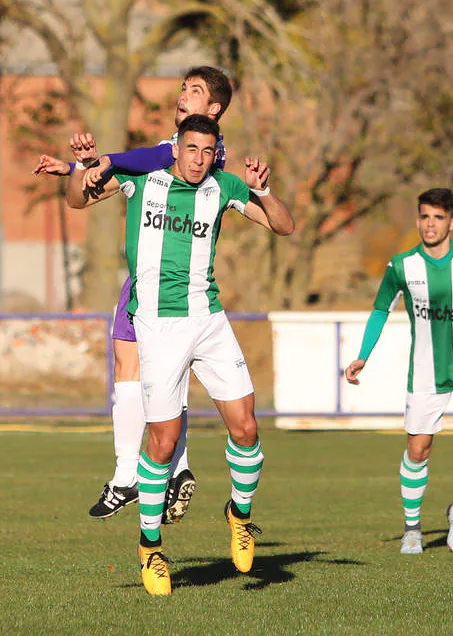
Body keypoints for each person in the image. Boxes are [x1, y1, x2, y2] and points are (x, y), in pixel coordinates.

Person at [66, 113, 294, 595]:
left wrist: (265, 191)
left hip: (208, 318)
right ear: (176, 148)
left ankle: (239, 515)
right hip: (157, 325)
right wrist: (82, 171)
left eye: (207, 151)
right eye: (191, 149)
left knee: (247, 424)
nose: (198, 159)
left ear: (216, 153)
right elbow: (78, 200)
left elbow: (284, 226)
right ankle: (150, 547)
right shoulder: (141, 178)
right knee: (164, 442)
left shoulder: (224, 186)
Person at [33, 67, 232, 524]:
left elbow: (154, 156)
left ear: (215, 110)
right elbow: (97, 190)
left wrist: (107, 159)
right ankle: (161, 471)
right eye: (183, 88)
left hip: (174, 286)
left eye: (196, 91)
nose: (183, 95)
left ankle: (140, 473)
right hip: (145, 278)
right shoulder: (166, 152)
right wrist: (78, 168)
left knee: (159, 372)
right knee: (133, 365)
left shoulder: (202, 150)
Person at [345, 188, 453, 556]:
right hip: (425, 372)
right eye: (424, 217)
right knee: (418, 450)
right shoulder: (402, 266)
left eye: (437, 217)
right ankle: (413, 529)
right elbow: (380, 310)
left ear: (451, 221)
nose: (429, 224)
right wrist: (363, 355)